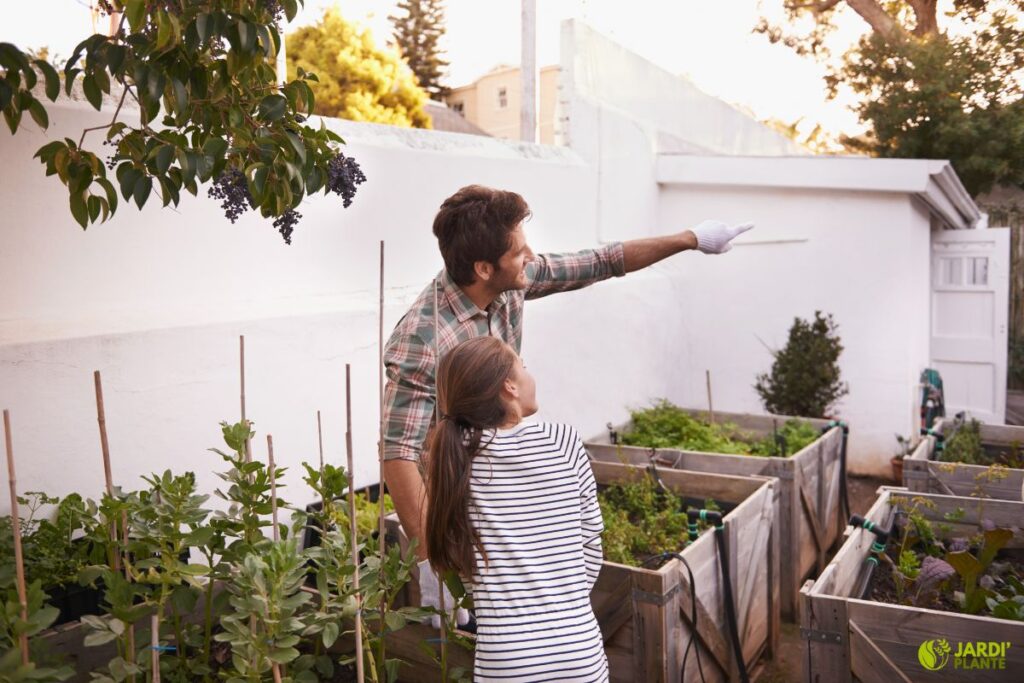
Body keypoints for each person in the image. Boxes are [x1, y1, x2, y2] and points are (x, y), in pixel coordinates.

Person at [382, 184, 752, 624]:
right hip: (456, 506)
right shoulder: (424, 338)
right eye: (519, 251)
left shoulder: (508, 284)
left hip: (500, 488)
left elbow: (600, 262)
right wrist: (433, 564)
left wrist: (691, 238)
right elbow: (399, 455)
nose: (532, 257)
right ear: (483, 267)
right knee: (469, 641)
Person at [424, 336, 607, 682]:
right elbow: (591, 546)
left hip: (506, 660)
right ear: (509, 385)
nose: (528, 374)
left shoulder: (455, 459)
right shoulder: (563, 442)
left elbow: (460, 562)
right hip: (579, 649)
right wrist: (564, 605)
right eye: (523, 366)